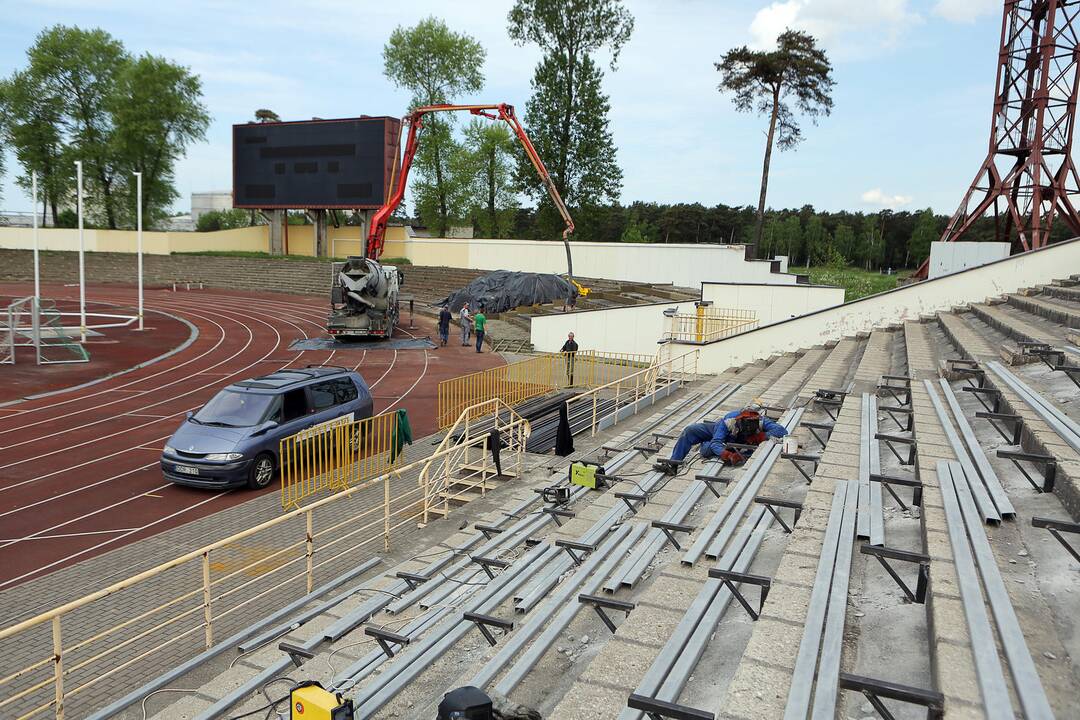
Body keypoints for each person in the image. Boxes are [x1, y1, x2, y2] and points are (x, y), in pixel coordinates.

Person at [657, 405, 787, 473]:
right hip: (722, 433)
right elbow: (716, 443)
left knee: (706, 451)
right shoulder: (728, 421)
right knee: (690, 431)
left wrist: (761, 436)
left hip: (740, 442)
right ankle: (673, 464)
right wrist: (727, 454)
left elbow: (782, 431)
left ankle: (704, 445)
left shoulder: (760, 421)